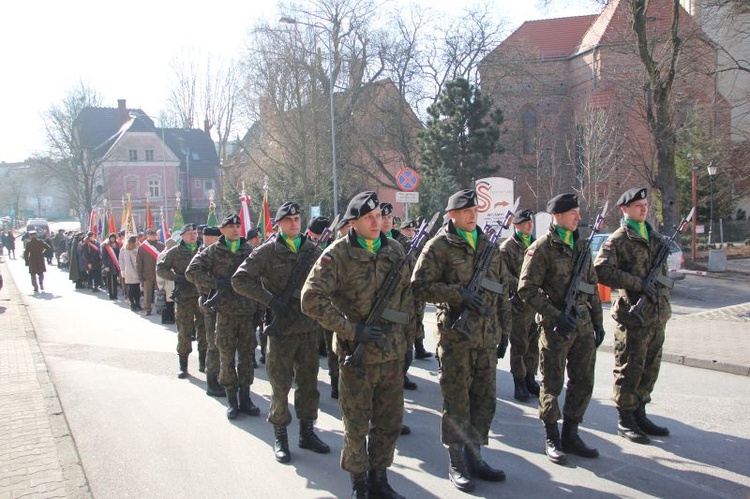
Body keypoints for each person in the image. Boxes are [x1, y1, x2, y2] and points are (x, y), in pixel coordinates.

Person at [302, 191, 414, 498]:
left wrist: (407, 342)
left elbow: (407, 299)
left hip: (390, 354)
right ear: (354, 222)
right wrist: (351, 329)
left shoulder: (394, 251)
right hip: (357, 357)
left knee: (389, 422)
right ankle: (359, 483)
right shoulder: (337, 255)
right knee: (356, 425)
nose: (377, 222)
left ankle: (380, 478)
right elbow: (310, 299)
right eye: (369, 217)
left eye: (379, 216)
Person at [411, 188, 510, 492]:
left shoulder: (490, 246)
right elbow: (419, 286)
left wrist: (505, 331)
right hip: (456, 339)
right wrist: (457, 294)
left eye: (474, 210)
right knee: (457, 403)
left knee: (485, 401)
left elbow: (503, 289)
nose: (472, 215)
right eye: (466, 211)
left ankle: (475, 455)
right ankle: (456, 461)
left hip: (486, 337)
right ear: (452, 215)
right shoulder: (438, 246)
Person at [234, 203, 330, 464]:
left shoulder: (312, 249)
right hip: (280, 331)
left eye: (297, 219)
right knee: (280, 387)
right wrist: (268, 299)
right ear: (277, 224)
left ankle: (307, 433)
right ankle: (280, 436)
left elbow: (327, 280)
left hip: (309, 329)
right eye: (288, 220)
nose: (294, 224)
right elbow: (239, 280)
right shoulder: (266, 252)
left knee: (309, 386)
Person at [517, 193, 604, 465]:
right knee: (552, 382)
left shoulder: (581, 246)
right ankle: (552, 436)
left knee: (583, 380)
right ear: (557, 216)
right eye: (573, 213)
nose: (578, 217)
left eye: (578, 212)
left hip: (583, 325)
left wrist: (599, 322)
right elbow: (526, 290)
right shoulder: (541, 248)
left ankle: (572, 433)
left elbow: (591, 287)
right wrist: (554, 314)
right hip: (556, 327)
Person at [594, 187, 672, 444]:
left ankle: (640, 411)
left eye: (645, 204)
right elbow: (601, 270)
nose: (644, 208)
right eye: (638, 205)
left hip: (656, 315)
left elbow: (664, 275)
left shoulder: (655, 238)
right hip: (633, 316)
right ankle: (625, 418)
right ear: (624, 209)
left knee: (650, 368)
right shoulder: (617, 239)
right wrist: (636, 283)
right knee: (629, 368)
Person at [185, 215, 260, 417]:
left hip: (246, 312)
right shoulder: (213, 251)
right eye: (231, 227)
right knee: (226, 357)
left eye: (238, 226)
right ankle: (232, 401)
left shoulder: (250, 251)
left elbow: (262, 276)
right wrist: (216, 284)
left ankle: (246, 398)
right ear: (222, 230)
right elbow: (191, 272)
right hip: (225, 313)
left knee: (246, 357)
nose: (236, 229)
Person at [499, 209, 541, 402]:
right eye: (525, 223)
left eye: (530, 222)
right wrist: (524, 287)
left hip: (536, 303)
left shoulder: (536, 244)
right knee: (520, 346)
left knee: (533, 345)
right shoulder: (507, 247)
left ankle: (530, 377)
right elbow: (504, 276)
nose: (529, 225)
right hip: (518, 304)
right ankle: (519, 382)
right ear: (516, 225)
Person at [157, 224, 207, 379]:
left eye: (195, 233)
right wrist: (176, 277)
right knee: (184, 331)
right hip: (184, 296)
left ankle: (203, 362)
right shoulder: (175, 251)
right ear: (183, 236)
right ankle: (183, 365)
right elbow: (161, 269)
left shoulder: (204, 250)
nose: (193, 236)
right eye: (189, 233)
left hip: (203, 295)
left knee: (205, 330)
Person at [188, 226, 223, 395]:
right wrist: (215, 283)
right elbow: (191, 273)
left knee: (219, 341)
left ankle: (218, 374)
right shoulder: (202, 254)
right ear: (208, 238)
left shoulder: (217, 252)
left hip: (222, 303)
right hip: (208, 300)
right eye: (216, 237)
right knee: (212, 342)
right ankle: (212, 380)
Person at [137, 229, 165, 316]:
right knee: (147, 293)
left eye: (154, 234)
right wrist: (140, 274)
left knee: (160, 292)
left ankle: (160, 308)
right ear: (147, 235)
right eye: (151, 234)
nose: (153, 236)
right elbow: (139, 262)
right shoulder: (142, 247)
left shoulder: (161, 246)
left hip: (159, 273)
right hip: (147, 273)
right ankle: (147, 309)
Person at [156, 237, 177, 325]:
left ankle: (171, 317)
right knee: (166, 301)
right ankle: (165, 318)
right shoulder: (162, 255)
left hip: (172, 280)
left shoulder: (174, 253)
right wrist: (160, 283)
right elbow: (158, 270)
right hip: (166, 281)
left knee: (171, 300)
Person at [119, 236, 141, 311]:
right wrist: (134, 274)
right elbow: (128, 264)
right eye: (136, 240)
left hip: (138, 272)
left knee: (137, 290)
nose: (137, 242)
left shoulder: (137, 249)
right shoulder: (127, 250)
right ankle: (132, 303)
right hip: (131, 274)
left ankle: (138, 303)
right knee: (131, 289)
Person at [101, 233, 121, 300]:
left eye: (114, 238)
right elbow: (104, 257)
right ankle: (111, 295)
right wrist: (105, 265)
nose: (112, 239)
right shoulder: (106, 246)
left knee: (115, 281)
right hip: (109, 265)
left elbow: (119, 255)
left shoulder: (117, 245)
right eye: (111, 238)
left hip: (115, 265)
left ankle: (115, 295)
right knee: (109, 281)